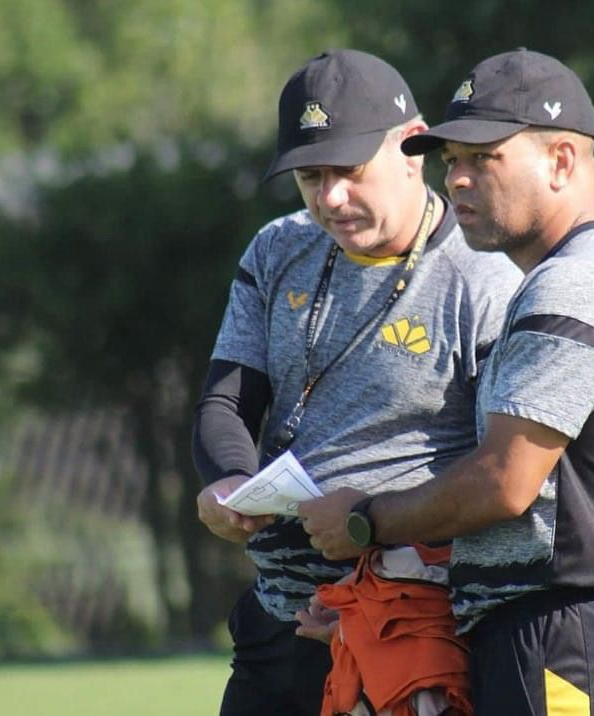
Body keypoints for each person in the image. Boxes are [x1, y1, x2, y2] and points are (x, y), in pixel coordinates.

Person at [299, 48, 594, 715]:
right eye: (452, 160)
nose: (457, 180)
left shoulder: (574, 284)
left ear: (562, 161)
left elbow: (504, 483)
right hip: (586, 629)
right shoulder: (587, 268)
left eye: (484, 158)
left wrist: (365, 523)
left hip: (575, 634)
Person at [192, 48, 522, 716]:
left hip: (406, 633)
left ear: (412, 147)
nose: (329, 198)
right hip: (279, 622)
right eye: (310, 177)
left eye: (347, 171)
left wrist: (388, 597)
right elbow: (226, 401)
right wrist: (226, 480)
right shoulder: (276, 248)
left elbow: (504, 480)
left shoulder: (486, 274)